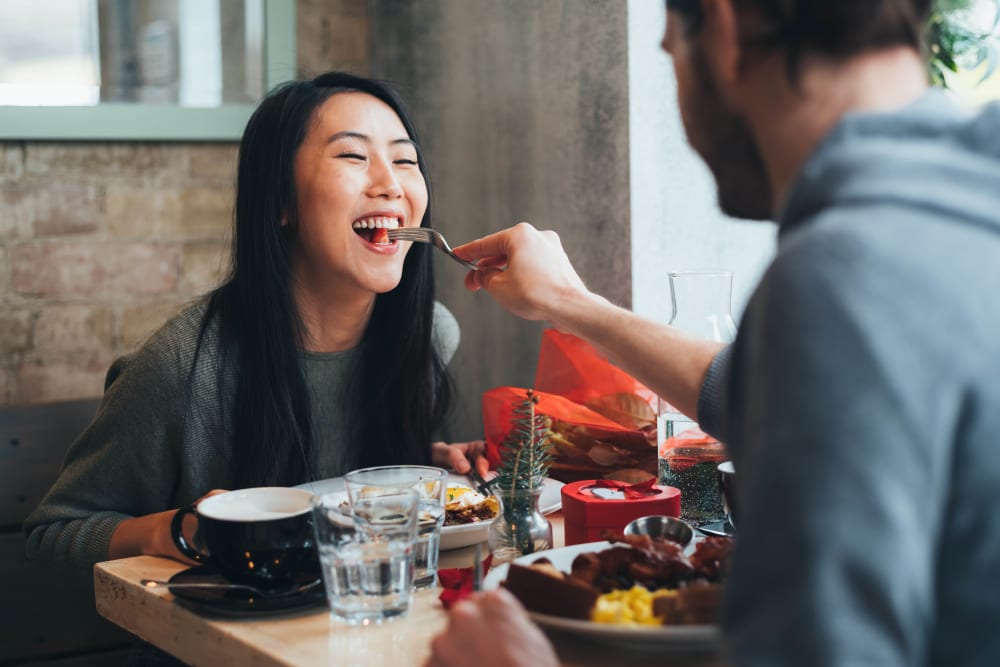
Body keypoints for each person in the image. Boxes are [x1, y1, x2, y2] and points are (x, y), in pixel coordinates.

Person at [427, 1, 1000, 666]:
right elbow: (758, 389)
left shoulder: (840, 278)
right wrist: (572, 303)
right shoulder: (964, 210)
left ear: (726, 27)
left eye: (670, 53)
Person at [24, 72, 487, 568]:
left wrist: (414, 473)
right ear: (281, 200)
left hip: (369, 631)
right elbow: (52, 536)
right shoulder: (182, 368)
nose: (391, 185)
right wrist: (178, 529)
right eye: (354, 156)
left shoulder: (429, 335)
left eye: (405, 160)